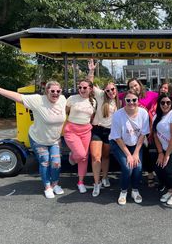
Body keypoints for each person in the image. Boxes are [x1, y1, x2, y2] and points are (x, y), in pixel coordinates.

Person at [0, 80, 66, 199]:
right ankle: (47, 187)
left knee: (56, 164)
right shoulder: (38, 100)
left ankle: (55, 184)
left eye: (58, 91)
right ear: (46, 91)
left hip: (54, 139)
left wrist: (91, 72)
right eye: (52, 91)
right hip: (38, 139)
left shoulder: (62, 100)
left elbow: (85, 93)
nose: (55, 93)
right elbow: (18, 97)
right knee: (45, 161)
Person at [109, 90, 150, 205]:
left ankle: (135, 190)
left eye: (134, 100)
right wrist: (128, 155)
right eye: (128, 100)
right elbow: (117, 138)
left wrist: (136, 153)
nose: (131, 102)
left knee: (138, 166)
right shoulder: (118, 114)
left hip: (136, 143)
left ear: (138, 100)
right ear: (124, 101)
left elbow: (143, 134)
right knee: (128, 167)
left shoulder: (143, 113)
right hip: (119, 143)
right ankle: (123, 191)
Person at [87, 60, 120, 197]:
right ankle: (96, 183)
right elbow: (90, 84)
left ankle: (105, 177)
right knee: (96, 157)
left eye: (112, 89)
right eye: (108, 90)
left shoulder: (121, 101)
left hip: (110, 132)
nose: (110, 92)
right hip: (98, 130)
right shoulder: (101, 96)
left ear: (116, 90)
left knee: (106, 156)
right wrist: (92, 70)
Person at [64, 79, 96, 194]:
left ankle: (80, 182)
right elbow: (66, 112)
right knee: (81, 154)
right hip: (72, 130)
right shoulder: (72, 99)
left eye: (85, 88)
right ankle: (72, 156)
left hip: (86, 131)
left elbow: (91, 118)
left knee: (84, 157)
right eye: (80, 87)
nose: (82, 90)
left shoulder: (93, 102)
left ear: (90, 89)